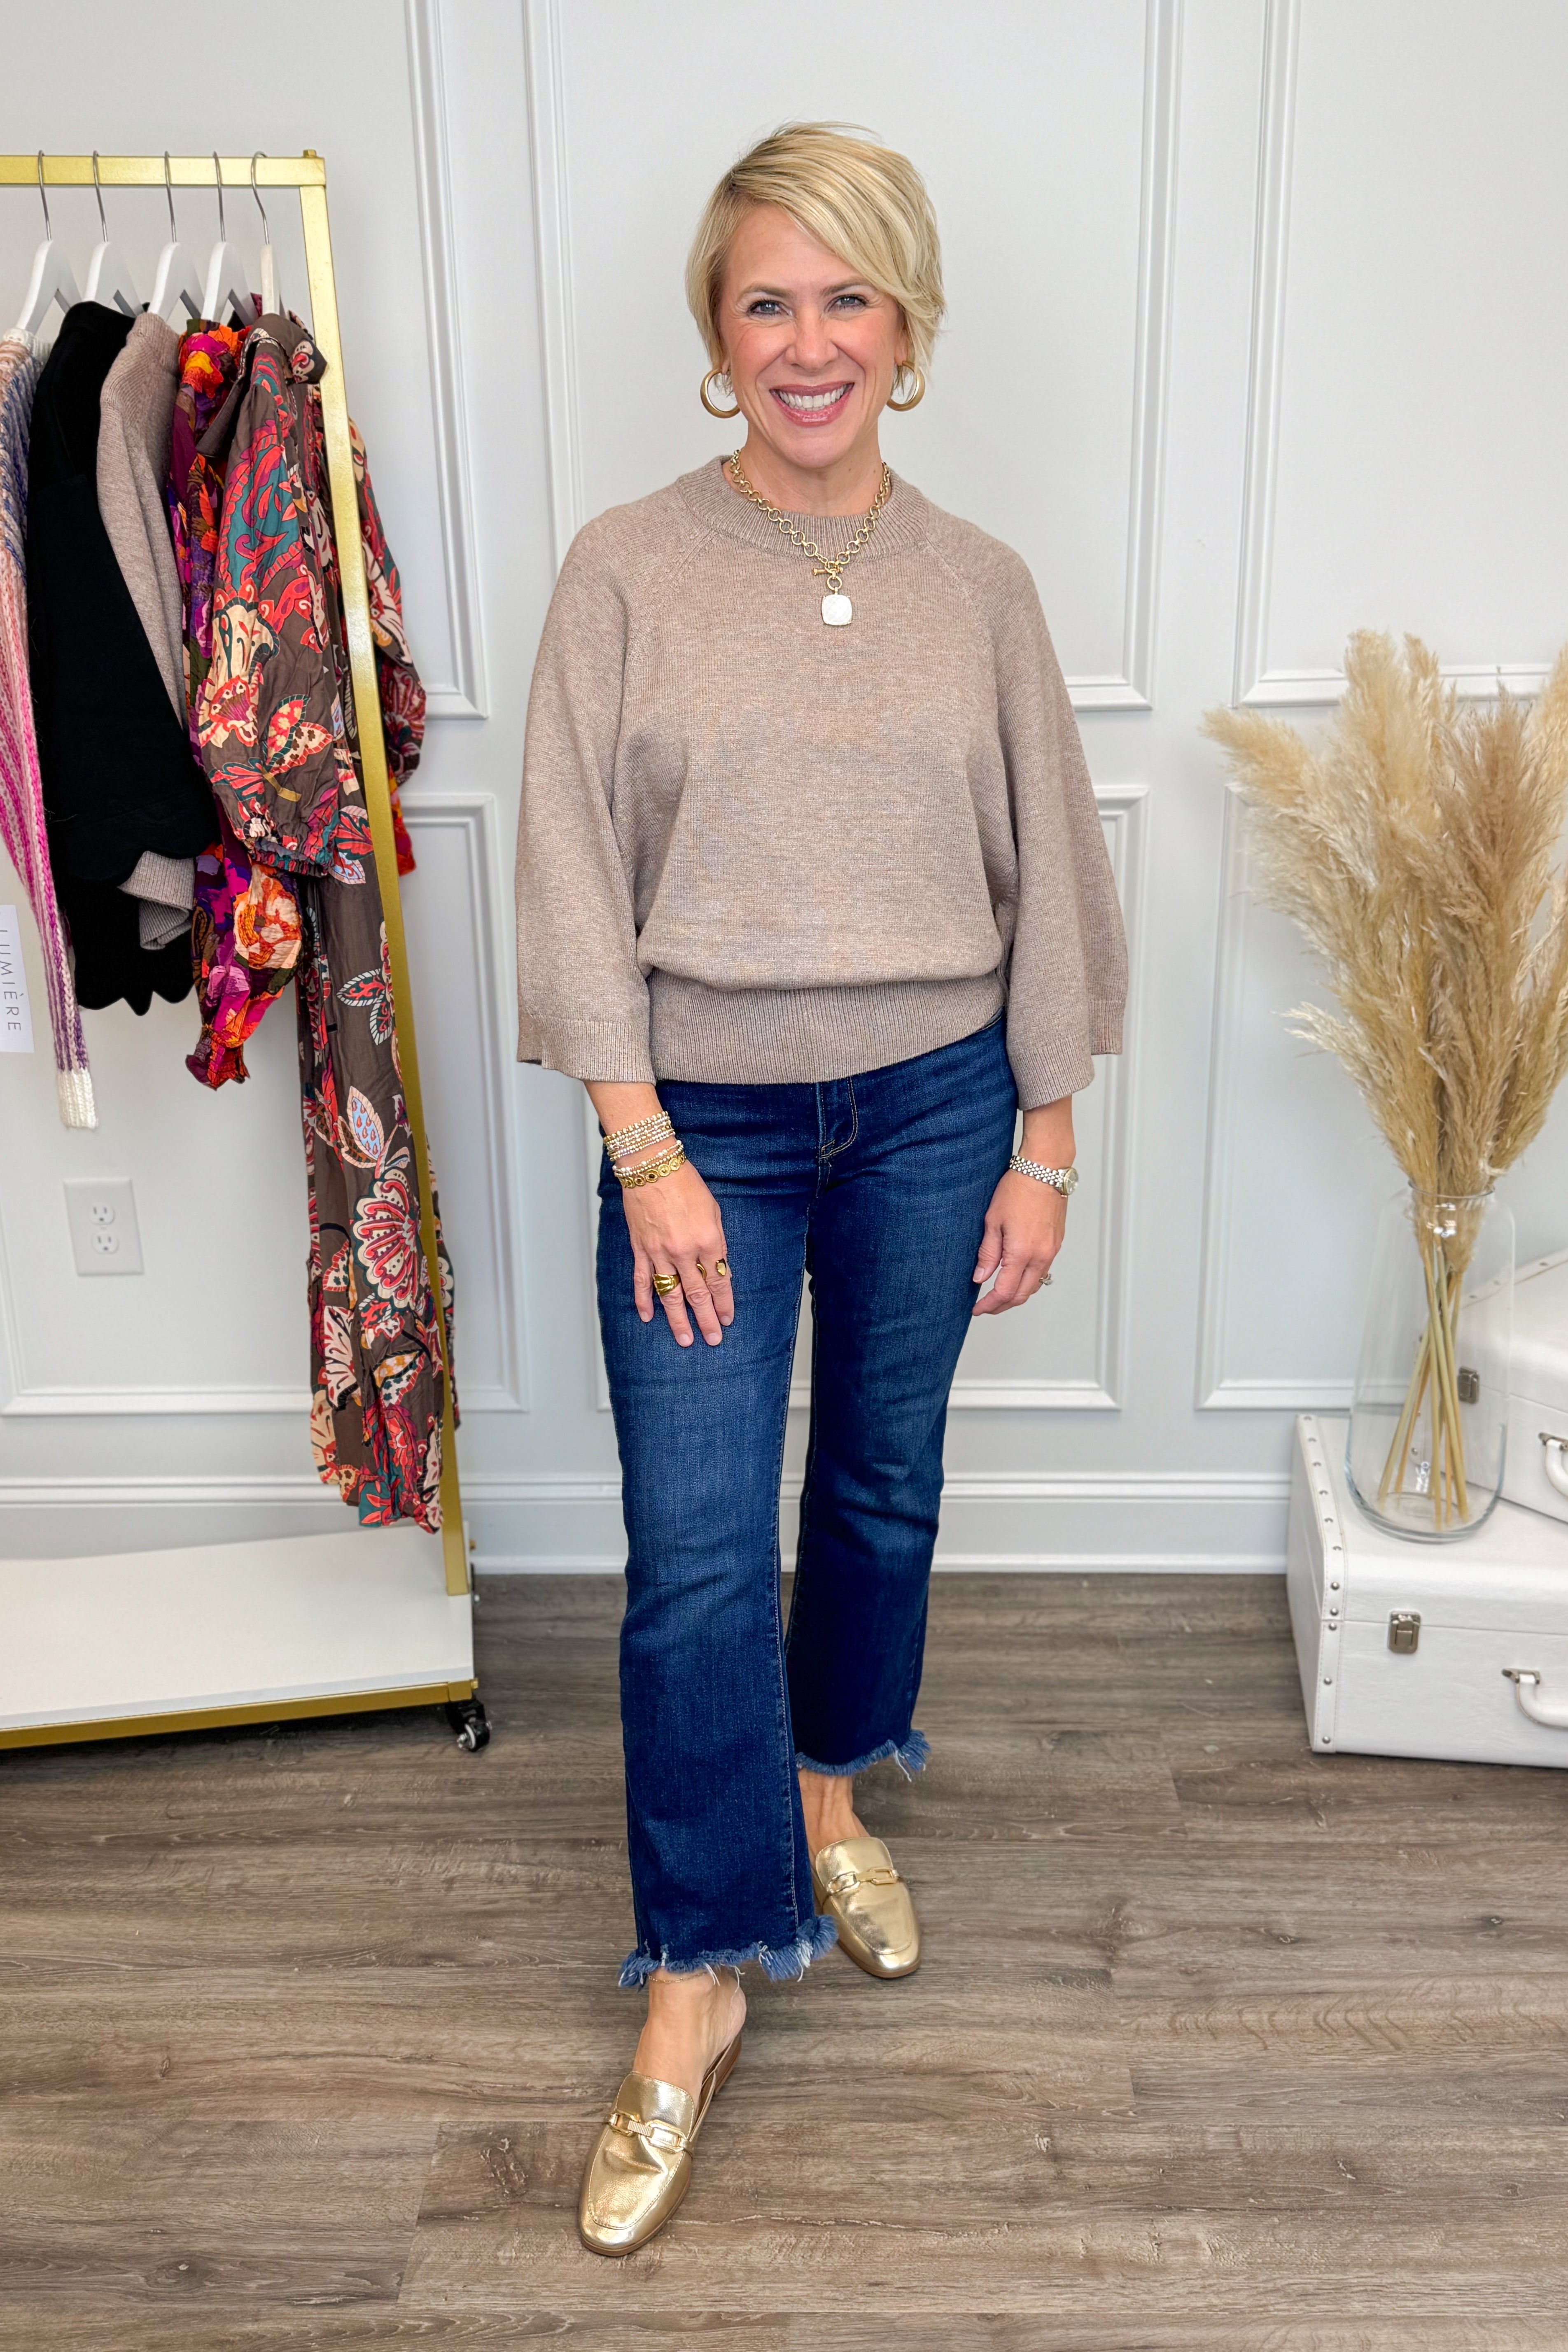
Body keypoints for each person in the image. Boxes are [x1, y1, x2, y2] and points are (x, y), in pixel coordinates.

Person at [513, 121, 1127, 2255]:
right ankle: (699, 1971)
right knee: (694, 1558)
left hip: (942, 1108)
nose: (809, 341)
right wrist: (643, 1144)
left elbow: (1057, 871)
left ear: (908, 326)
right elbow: (571, 874)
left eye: (847, 298)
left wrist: (1044, 1138)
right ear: (716, 331)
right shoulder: (625, 567)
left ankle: (825, 1793)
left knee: (878, 1488)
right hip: (708, 1132)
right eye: (768, 300)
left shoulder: (983, 589)